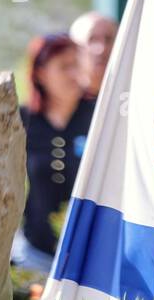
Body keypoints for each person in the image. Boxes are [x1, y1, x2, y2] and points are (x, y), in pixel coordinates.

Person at [11, 34, 96, 275]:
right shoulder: (20, 120)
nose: (73, 74)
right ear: (40, 73)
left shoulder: (100, 117)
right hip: (34, 255)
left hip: (94, 254)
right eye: (63, 66)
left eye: (77, 64)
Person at [69, 11, 117, 100]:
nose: (101, 49)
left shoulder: (131, 94)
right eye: (92, 40)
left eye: (108, 39)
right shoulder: (65, 105)